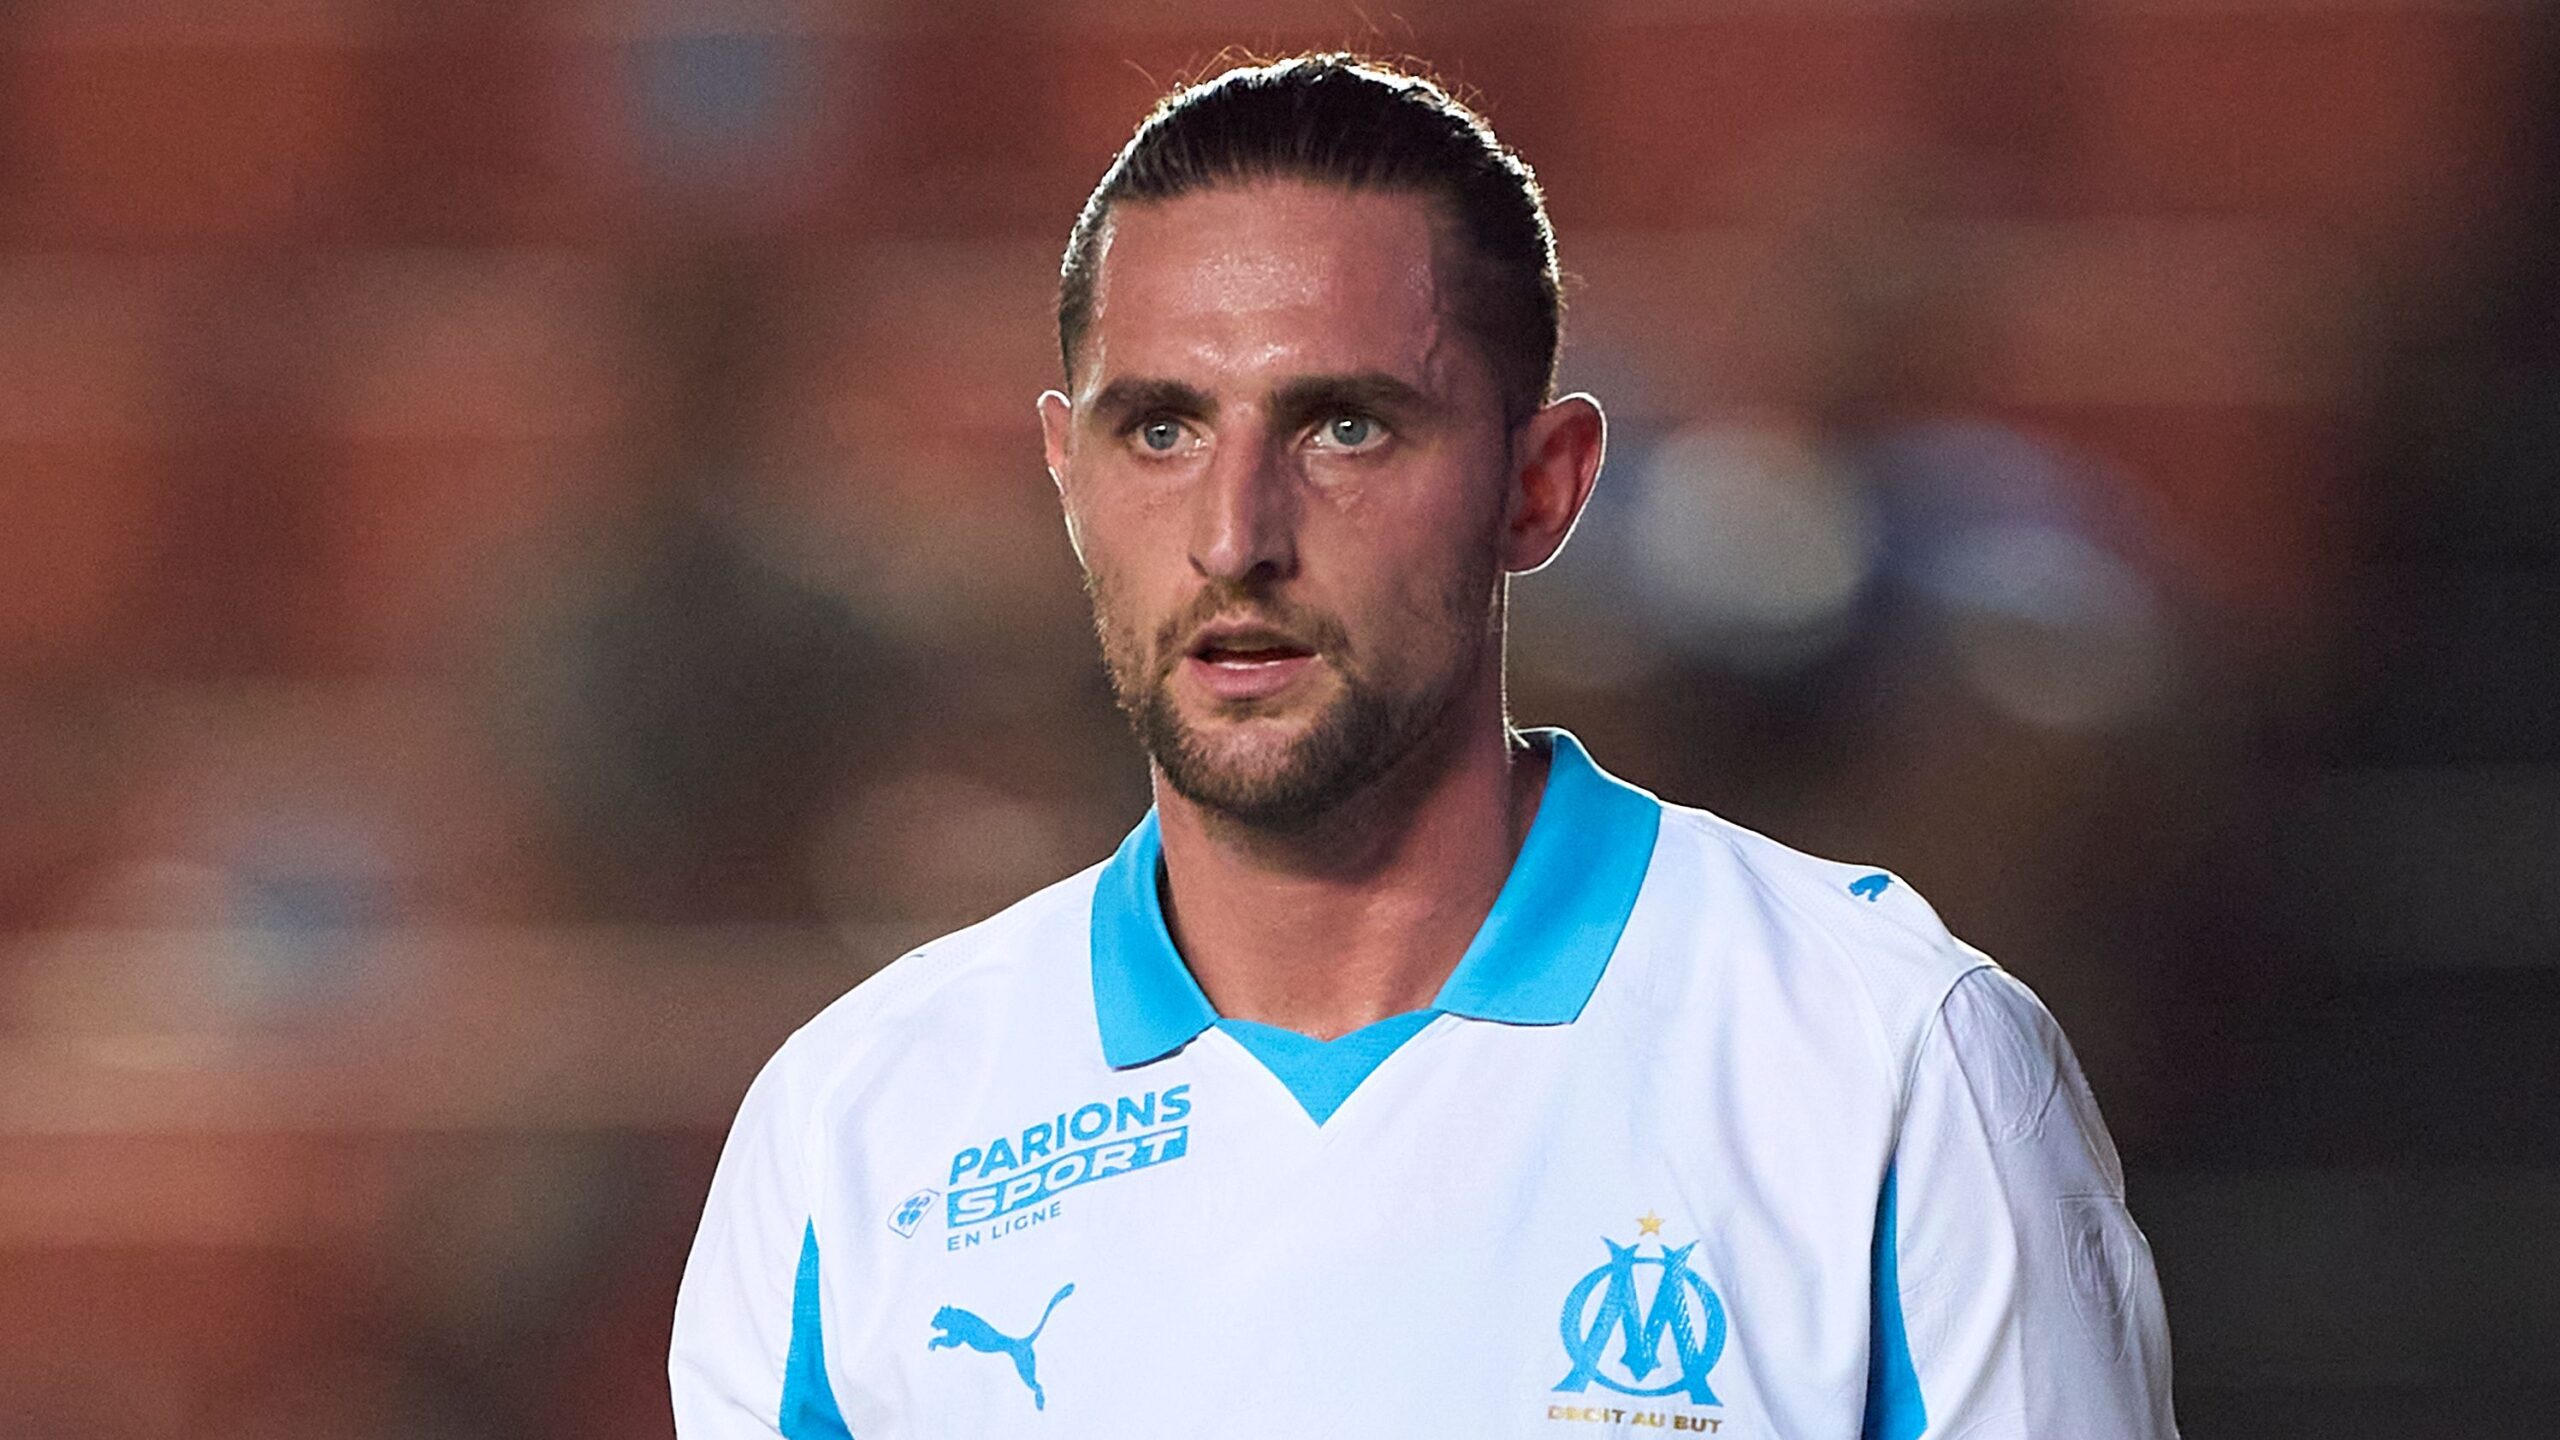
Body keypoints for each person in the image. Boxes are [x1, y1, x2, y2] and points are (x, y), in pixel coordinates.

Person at [670, 54, 2177, 1439]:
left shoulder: (1892, 1063)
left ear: (1543, 484)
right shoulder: (855, 1128)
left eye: (1344, 427)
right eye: (1162, 431)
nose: (1234, 539)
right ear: (1066, 476)